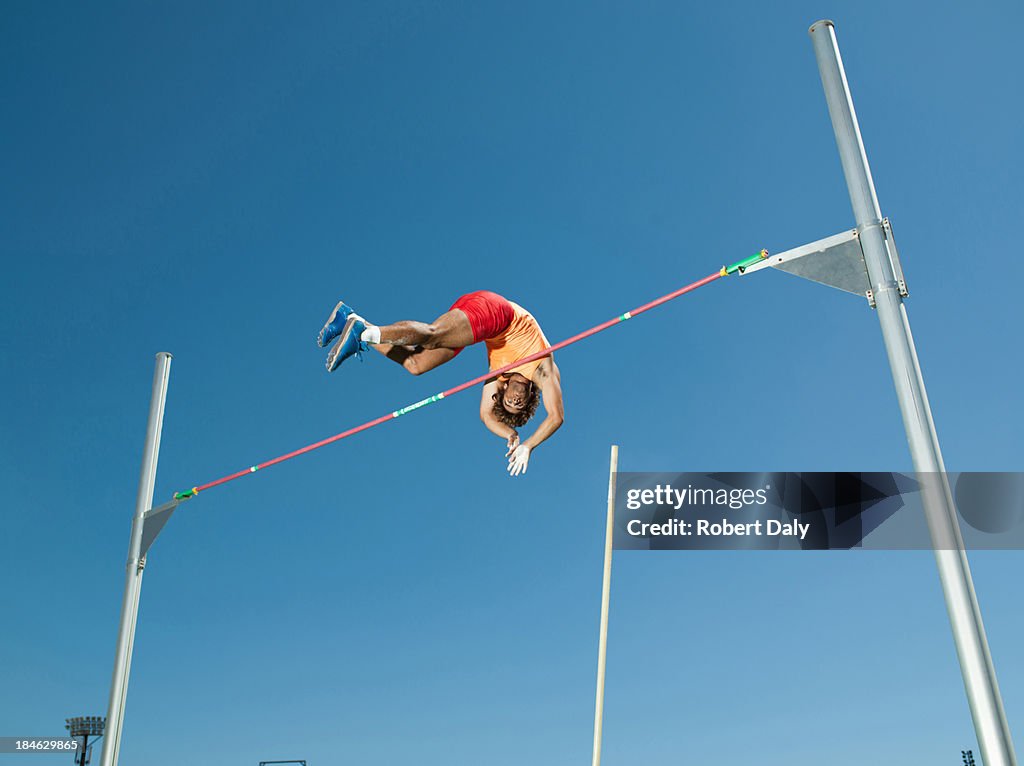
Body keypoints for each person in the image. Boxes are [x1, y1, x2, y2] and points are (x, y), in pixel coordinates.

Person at [317, 291, 564, 476]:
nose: (514, 400)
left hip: (481, 326)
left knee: (416, 364)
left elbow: (486, 415)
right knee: (432, 335)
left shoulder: (499, 373)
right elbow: (556, 417)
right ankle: (361, 332)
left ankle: (349, 318)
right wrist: (530, 446)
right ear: (529, 396)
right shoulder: (542, 370)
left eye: (509, 403)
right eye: (517, 404)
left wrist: (511, 435)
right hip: (498, 313)